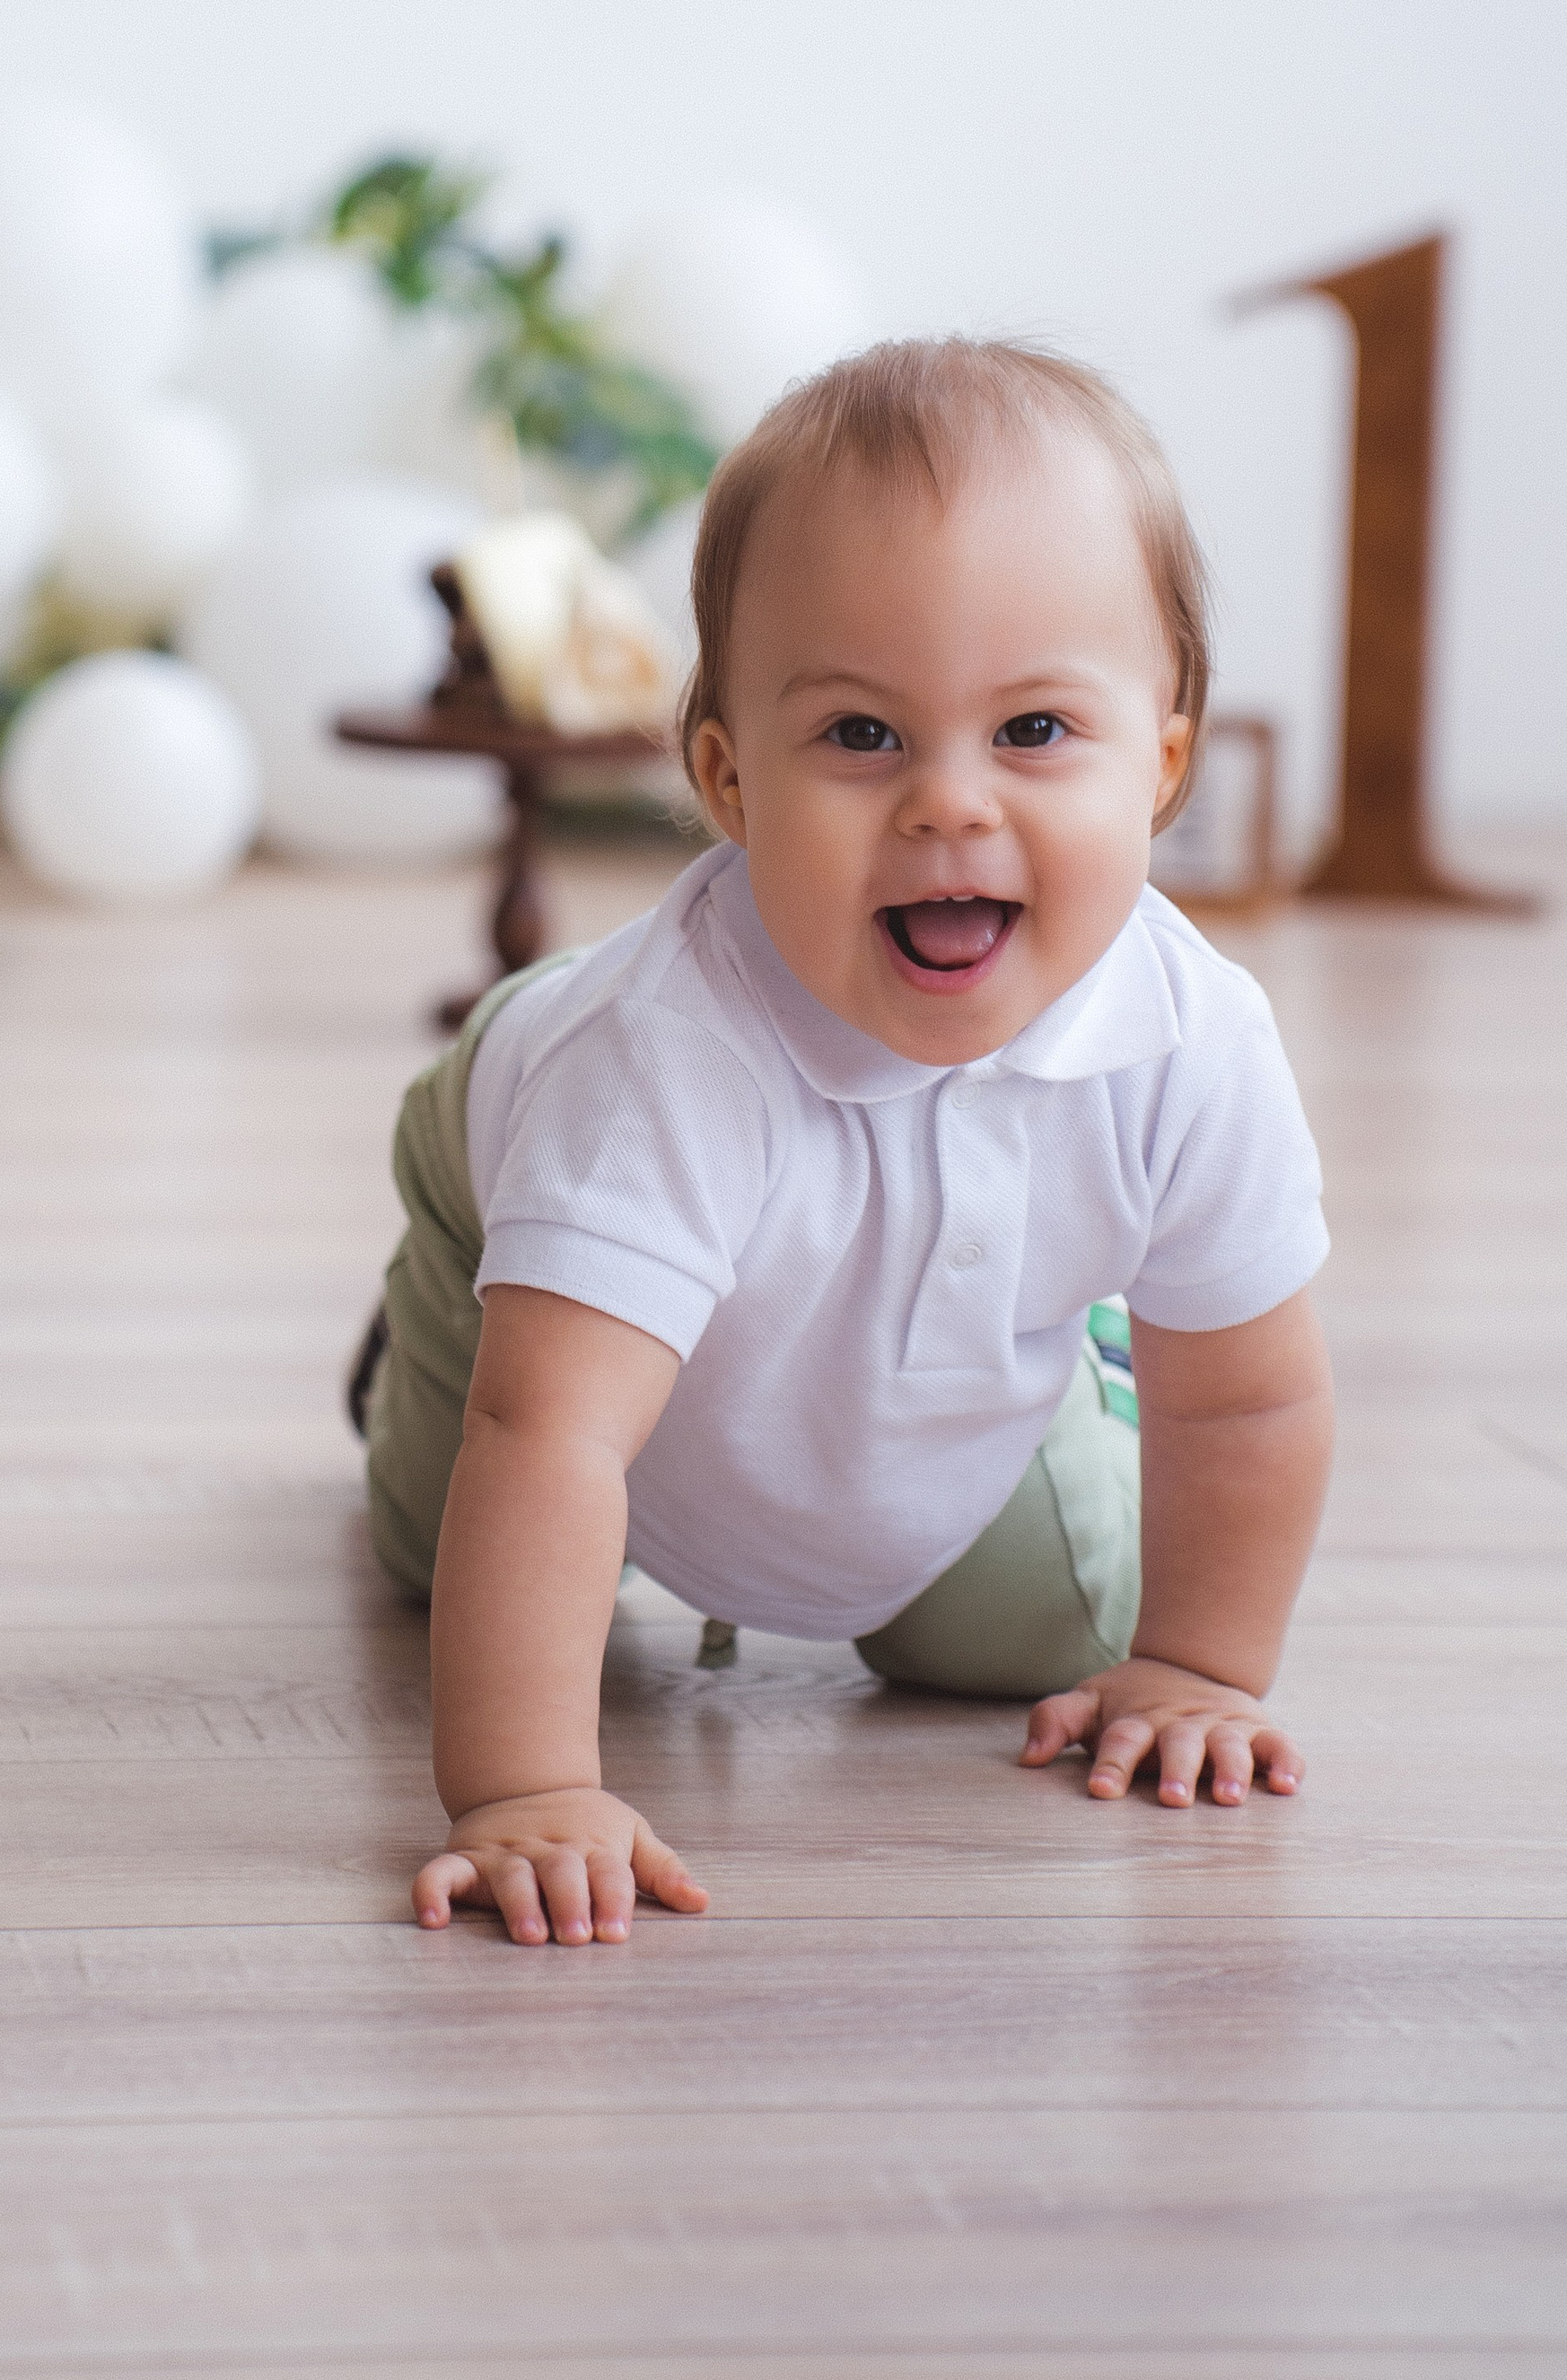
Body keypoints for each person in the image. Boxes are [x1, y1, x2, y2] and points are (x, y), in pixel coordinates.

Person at [351, 338, 1335, 1949]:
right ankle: (433, 1324)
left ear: (1163, 763)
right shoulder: (657, 1065)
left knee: (1054, 1634)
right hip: (525, 1181)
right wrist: (525, 1788)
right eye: (863, 738)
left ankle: (1043, 1342)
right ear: (729, 781)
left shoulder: (1193, 1040)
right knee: (446, 1542)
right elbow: (551, 1446)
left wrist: (1200, 1669)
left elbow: (1250, 1395)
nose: (952, 804)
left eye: (1033, 731)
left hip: (870, 1331)